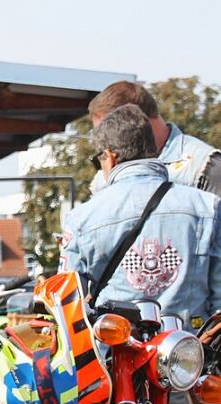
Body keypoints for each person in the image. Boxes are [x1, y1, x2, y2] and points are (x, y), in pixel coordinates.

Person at [60, 105, 221, 327]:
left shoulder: (82, 218)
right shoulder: (207, 207)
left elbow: (65, 304)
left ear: (110, 156)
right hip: (191, 353)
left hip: (115, 354)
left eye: (98, 160)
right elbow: (219, 300)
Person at [88, 81, 221, 196]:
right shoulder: (103, 175)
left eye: (107, 131)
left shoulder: (204, 166)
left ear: (137, 119)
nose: (104, 144)